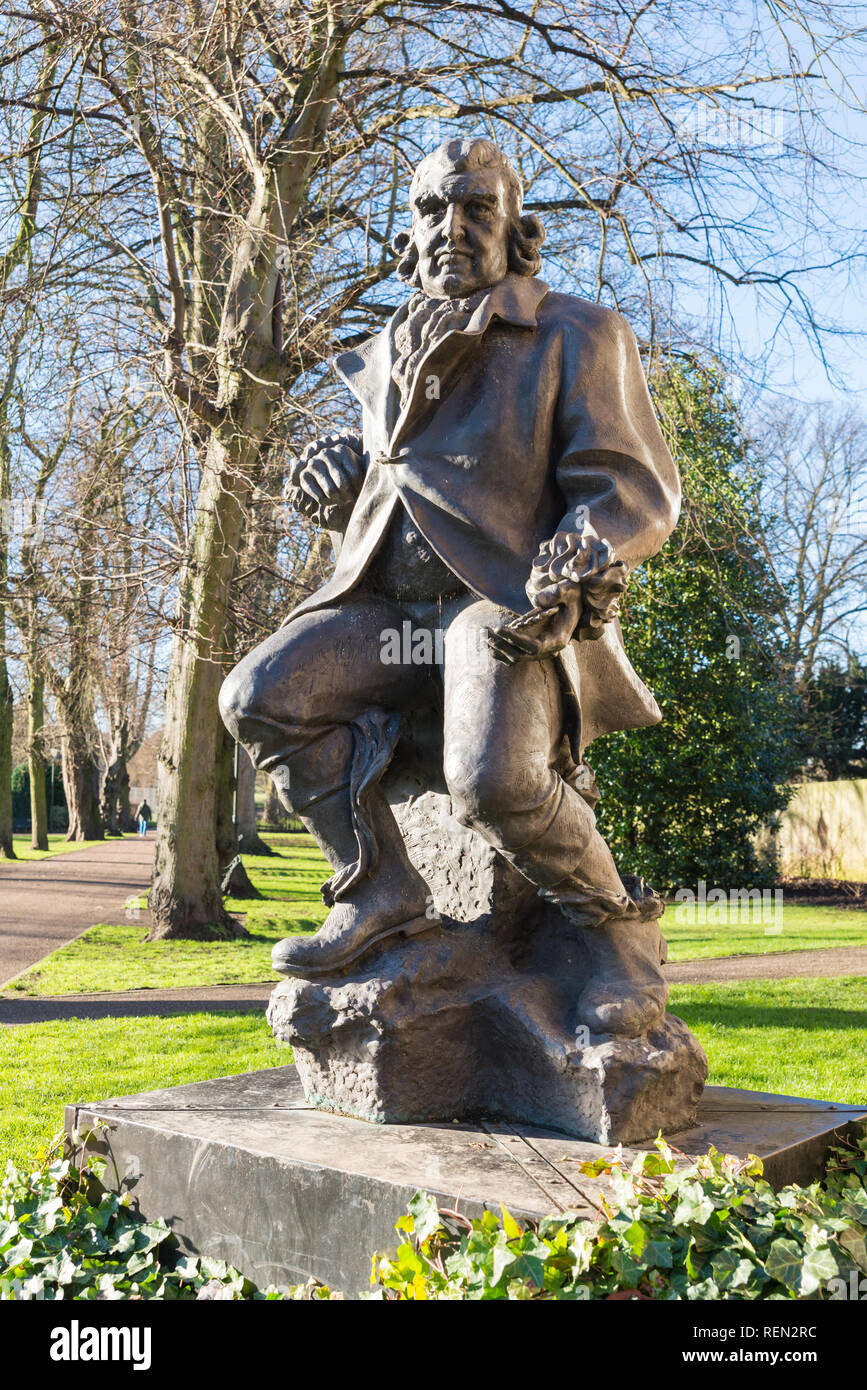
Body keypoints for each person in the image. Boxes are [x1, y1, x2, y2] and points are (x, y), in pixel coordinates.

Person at [219, 137, 680, 1039]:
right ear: (409, 233)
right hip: (379, 608)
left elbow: (629, 487)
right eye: (432, 209)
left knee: (492, 782)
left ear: (517, 230)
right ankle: (380, 887)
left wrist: (576, 558)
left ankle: (621, 942)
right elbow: (402, 476)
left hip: (497, 603)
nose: (453, 228)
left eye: (477, 208)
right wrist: (340, 480)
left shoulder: (576, 332)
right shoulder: (381, 351)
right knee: (258, 697)